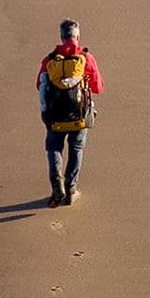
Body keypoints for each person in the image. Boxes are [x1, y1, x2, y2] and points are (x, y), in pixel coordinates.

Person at [39, 19, 104, 207]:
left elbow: (39, 85)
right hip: (79, 116)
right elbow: (98, 87)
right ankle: (71, 188)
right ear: (78, 36)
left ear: (61, 37)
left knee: (54, 148)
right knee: (76, 149)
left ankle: (56, 185)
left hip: (55, 116)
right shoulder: (86, 58)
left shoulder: (50, 60)